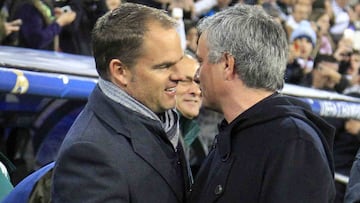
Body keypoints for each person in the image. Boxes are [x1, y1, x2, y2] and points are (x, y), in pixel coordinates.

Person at [189, 4, 336, 202]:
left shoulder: (294, 144)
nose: (196, 75)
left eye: (201, 61)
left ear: (227, 65)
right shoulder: (237, 132)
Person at [52, 3, 191, 202]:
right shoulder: (89, 154)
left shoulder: (164, 119)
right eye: (164, 66)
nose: (179, 76)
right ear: (120, 71)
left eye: (179, 61)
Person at [175, 53, 207, 176]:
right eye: (185, 81)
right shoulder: (157, 134)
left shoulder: (189, 129)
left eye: (198, 82)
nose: (197, 91)